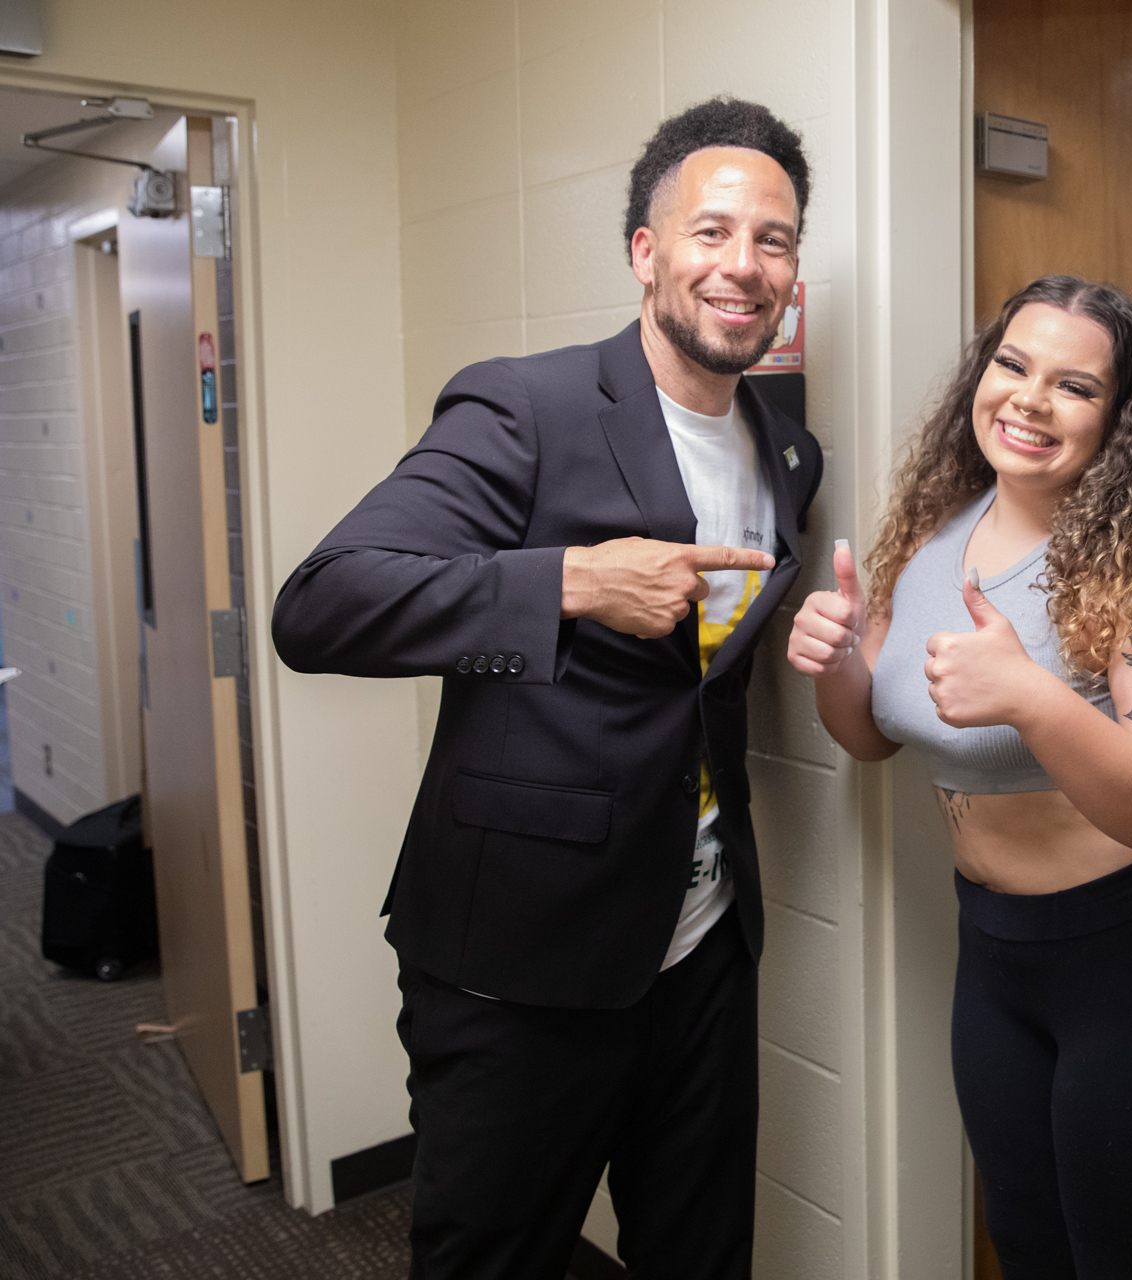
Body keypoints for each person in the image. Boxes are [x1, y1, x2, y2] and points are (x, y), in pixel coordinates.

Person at [272, 97, 822, 1280]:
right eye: (712, 231)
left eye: (773, 240)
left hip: (702, 947)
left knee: (703, 1251)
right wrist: (567, 580)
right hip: (520, 964)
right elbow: (321, 603)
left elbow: (700, 677)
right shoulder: (528, 404)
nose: (744, 265)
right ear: (646, 251)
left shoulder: (788, 447)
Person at [787, 275, 1132, 1278]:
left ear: (1119, 418)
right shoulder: (931, 535)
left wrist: (1033, 697)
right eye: (1012, 364)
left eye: (1074, 386)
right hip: (997, 959)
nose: (1029, 400)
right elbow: (872, 735)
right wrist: (836, 665)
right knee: (1031, 1249)